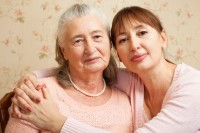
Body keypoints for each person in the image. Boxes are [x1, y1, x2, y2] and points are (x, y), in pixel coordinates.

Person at [11, 5, 200, 133]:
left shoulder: (193, 88)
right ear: (117, 51)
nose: (134, 45)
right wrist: (31, 78)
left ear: (163, 39)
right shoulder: (129, 80)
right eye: (123, 40)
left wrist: (58, 123)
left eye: (142, 33)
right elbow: (83, 70)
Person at [5, 4, 133, 133]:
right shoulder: (39, 93)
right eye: (78, 41)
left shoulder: (124, 102)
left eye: (97, 37)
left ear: (110, 44)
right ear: (64, 51)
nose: (90, 48)